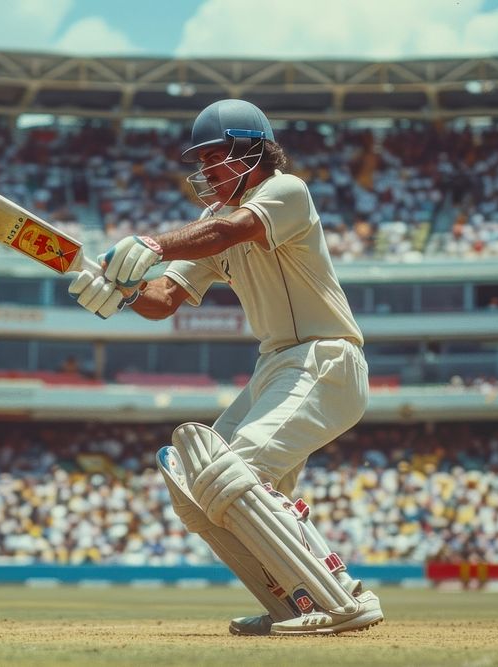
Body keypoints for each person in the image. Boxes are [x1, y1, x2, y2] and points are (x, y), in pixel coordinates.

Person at [69, 99, 382, 636]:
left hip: (325, 358)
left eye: (217, 155)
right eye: (202, 158)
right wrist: (119, 290)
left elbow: (228, 233)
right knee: (197, 493)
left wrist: (150, 244)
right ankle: (293, 602)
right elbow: (164, 297)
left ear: (253, 150)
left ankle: (344, 598)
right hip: (276, 368)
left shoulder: (285, 191)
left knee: (230, 476)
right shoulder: (214, 220)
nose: (207, 169)